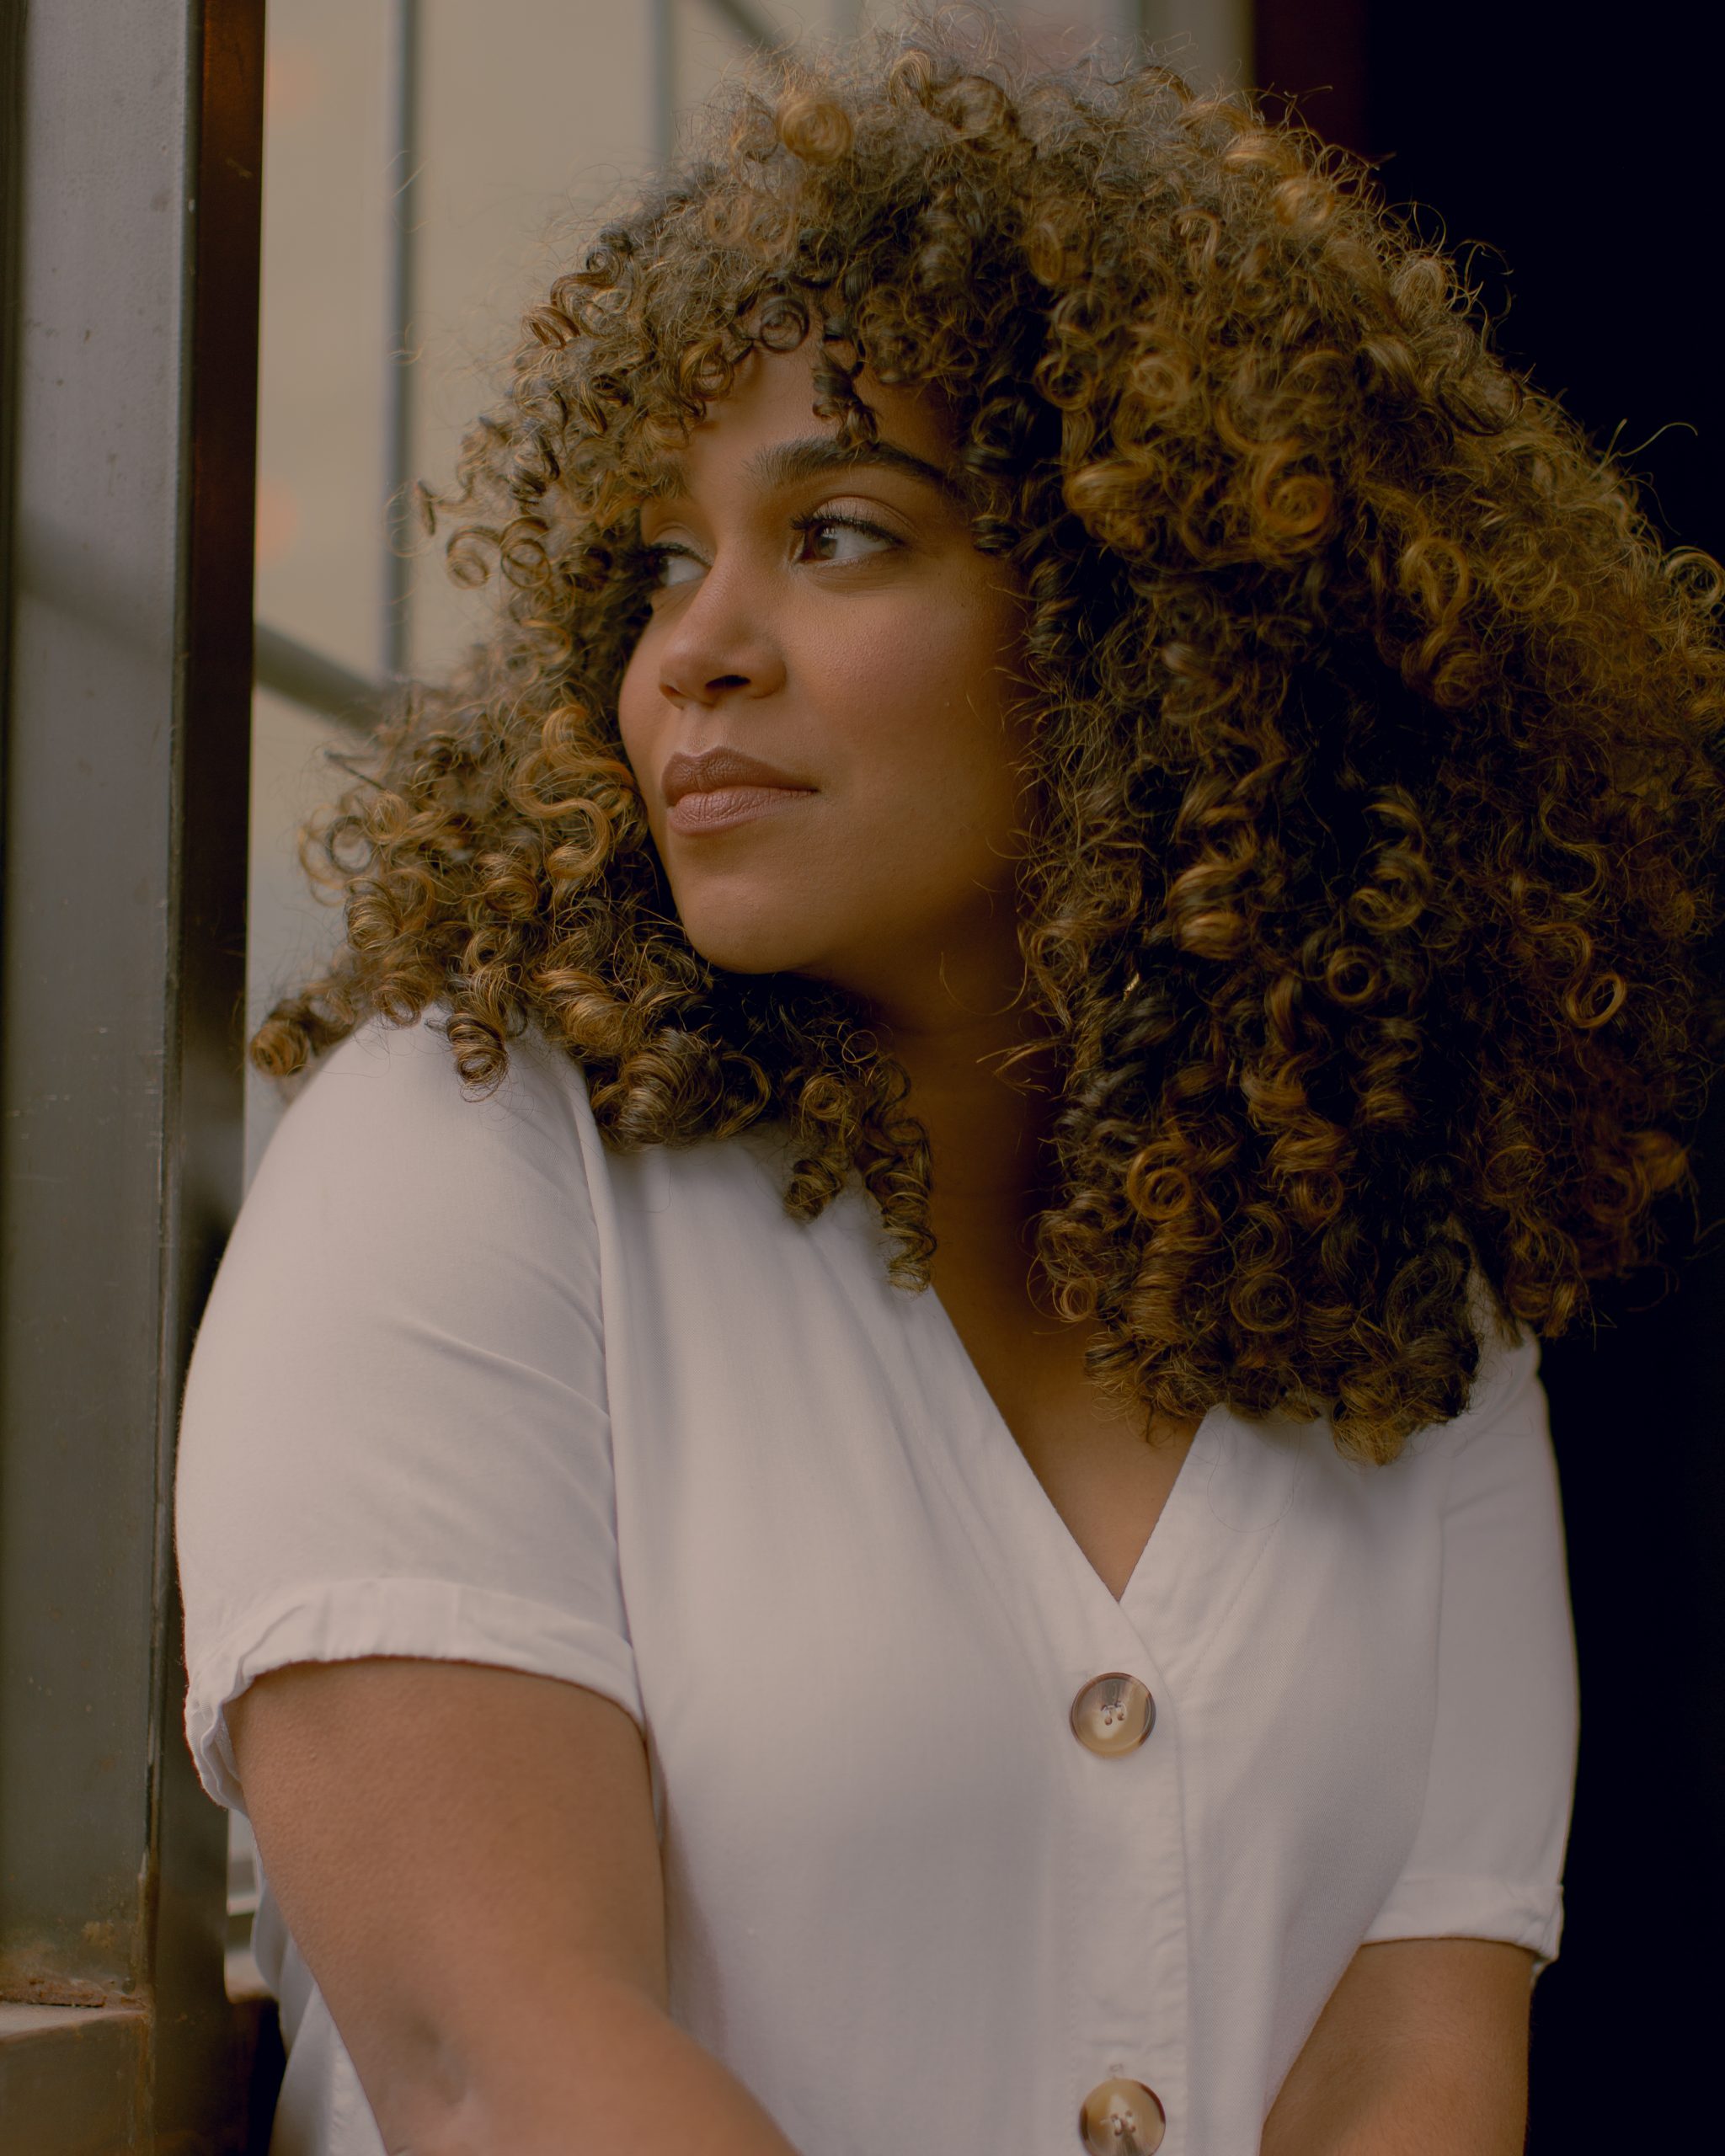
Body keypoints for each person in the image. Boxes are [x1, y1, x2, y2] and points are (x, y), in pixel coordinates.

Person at [175, 15, 1725, 2155]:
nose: (690, 650)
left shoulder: (1414, 1305)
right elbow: (500, 2064)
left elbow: (1412, 2069)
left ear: (1160, 621)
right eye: (652, 567)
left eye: (837, 532)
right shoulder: (460, 1157)